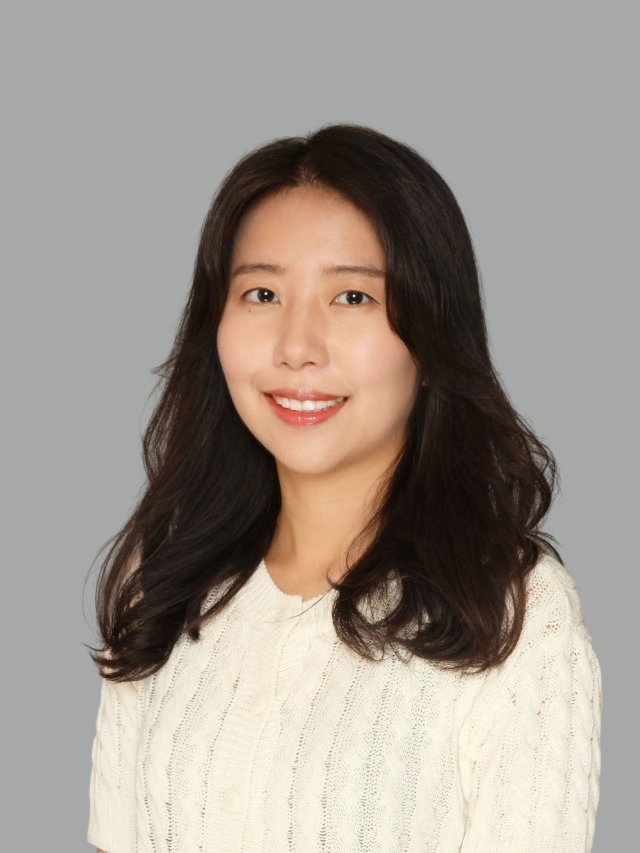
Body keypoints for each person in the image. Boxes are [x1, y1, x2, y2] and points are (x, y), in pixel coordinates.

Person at [87, 123, 602, 852]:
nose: (297, 347)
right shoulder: (163, 578)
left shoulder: (511, 610)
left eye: (353, 297)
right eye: (262, 293)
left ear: (433, 335)